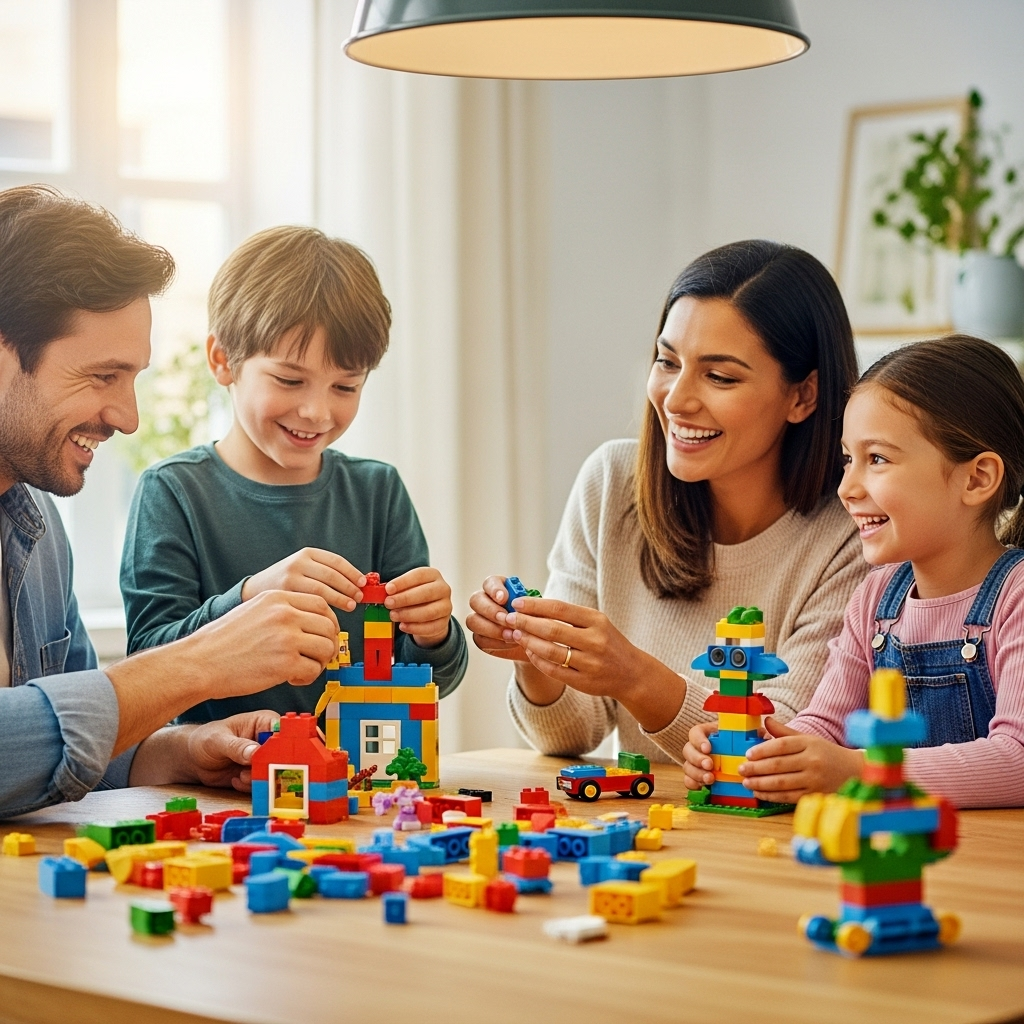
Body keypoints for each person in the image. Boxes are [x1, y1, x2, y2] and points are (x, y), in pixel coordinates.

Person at [0, 185, 341, 819]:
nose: (127, 418)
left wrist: (180, 749)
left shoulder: (37, 527)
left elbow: (68, 749)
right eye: (103, 376)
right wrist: (197, 662)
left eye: (133, 378)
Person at [467, 240, 868, 764]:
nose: (676, 399)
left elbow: (778, 748)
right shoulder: (613, 484)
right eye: (667, 361)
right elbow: (567, 736)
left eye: (719, 376)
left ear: (803, 396)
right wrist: (536, 658)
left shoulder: (856, 531)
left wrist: (636, 677)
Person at [121, 226, 467, 723]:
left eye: (346, 387)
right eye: (289, 379)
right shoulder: (174, 492)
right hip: (213, 786)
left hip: (356, 782)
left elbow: (426, 683)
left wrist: (434, 634)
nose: (316, 411)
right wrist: (248, 596)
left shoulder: (378, 492)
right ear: (223, 360)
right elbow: (146, 664)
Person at [685, 335, 1024, 808]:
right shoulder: (876, 598)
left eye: (877, 459)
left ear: (977, 478)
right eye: (848, 459)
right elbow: (824, 725)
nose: (847, 488)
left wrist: (856, 770)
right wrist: (756, 754)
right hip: (887, 852)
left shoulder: (1016, 597)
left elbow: (1016, 761)